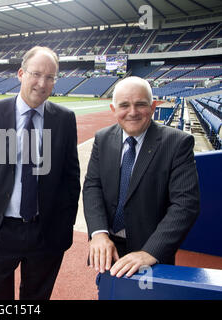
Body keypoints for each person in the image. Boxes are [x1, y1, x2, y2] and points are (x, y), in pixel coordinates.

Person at [0, 46, 81, 300]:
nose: (42, 83)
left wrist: (65, 225)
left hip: (46, 231)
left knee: (37, 298)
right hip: (1, 228)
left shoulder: (64, 119)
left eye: (50, 77)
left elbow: (71, 178)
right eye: (36, 74)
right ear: (20, 74)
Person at [82, 76, 200, 278]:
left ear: (153, 106)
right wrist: (99, 233)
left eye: (140, 104)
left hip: (151, 252)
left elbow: (185, 204)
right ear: (113, 109)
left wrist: (150, 251)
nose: (132, 112)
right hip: (109, 250)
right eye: (124, 105)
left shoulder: (178, 143)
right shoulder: (102, 138)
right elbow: (93, 186)